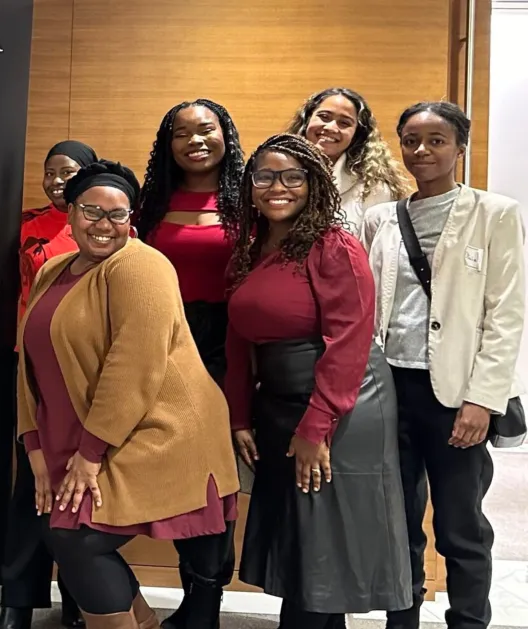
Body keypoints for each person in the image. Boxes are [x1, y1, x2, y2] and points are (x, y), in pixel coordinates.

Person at [18, 159, 241, 629]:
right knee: (62, 535)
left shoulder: (142, 264)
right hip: (88, 433)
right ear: (71, 213)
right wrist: (33, 444)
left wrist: (91, 453)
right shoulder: (54, 269)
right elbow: (29, 361)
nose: (104, 225)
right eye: (91, 211)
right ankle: (143, 622)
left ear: (132, 218)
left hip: (159, 428)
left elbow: (134, 365)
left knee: (78, 540)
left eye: (117, 214)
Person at [222, 133, 411, 629]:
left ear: (313, 183)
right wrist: (240, 413)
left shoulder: (335, 246)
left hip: (341, 405)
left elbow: (349, 341)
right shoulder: (251, 247)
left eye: (292, 176)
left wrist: (317, 425)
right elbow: (239, 338)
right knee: (304, 544)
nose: (276, 186)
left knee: (323, 544)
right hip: (280, 403)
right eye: (264, 176)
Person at [361, 102, 524, 629]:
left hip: (455, 395)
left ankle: (470, 622)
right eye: (411, 140)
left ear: (460, 147)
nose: (422, 151)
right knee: (398, 522)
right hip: (389, 391)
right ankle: (400, 620)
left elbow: (506, 313)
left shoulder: (494, 212)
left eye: (436, 140)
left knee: (461, 526)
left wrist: (483, 399)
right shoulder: (380, 218)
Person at [134, 98, 244, 629]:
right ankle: (190, 595)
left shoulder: (249, 199)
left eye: (207, 130)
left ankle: (206, 600)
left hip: (229, 349)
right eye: (182, 133)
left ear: (226, 134)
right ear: (167, 143)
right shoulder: (149, 205)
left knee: (212, 479)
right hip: (162, 346)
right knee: (175, 473)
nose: (196, 141)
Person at [0, 139, 95, 629]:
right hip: (31, 367)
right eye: (50, 172)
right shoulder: (26, 226)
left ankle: (81, 597)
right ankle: (17, 602)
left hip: (90, 373)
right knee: (29, 487)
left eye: (70, 172)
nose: (58, 181)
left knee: (85, 488)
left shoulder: (106, 224)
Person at [286, 87, 410, 238]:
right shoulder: (277, 173)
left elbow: (377, 253)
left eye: (344, 123)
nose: (330, 127)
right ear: (307, 120)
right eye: (324, 117)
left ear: (356, 135)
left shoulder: (373, 189)